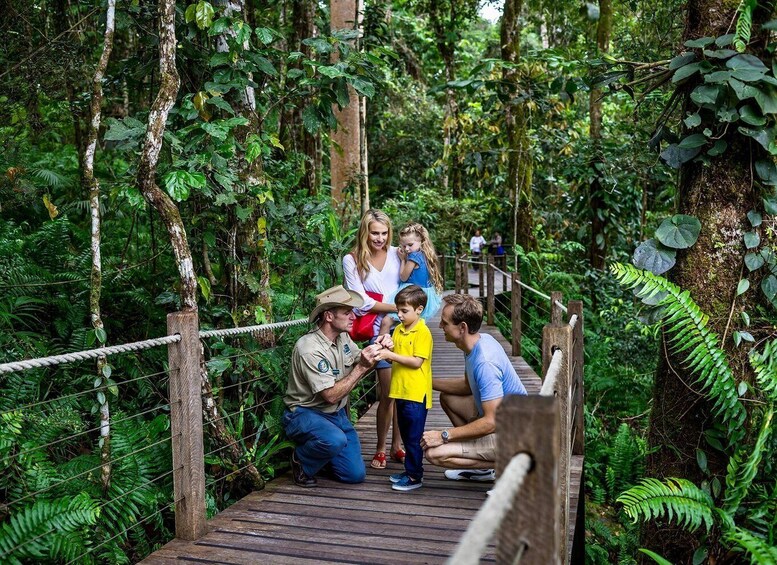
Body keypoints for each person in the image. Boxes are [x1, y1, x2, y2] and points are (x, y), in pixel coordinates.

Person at [282, 285, 391, 487]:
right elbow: (331, 396)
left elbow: (360, 356)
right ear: (329, 317)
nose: (353, 317)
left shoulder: (343, 337)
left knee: (355, 475)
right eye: (347, 312)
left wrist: (379, 346)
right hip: (304, 413)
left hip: (336, 415)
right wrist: (360, 369)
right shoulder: (309, 348)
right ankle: (301, 461)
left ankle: (323, 454)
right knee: (334, 440)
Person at [421, 293, 527, 480]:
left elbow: (491, 421)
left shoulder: (485, 362)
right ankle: (482, 466)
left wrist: (444, 435)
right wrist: (426, 382)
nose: (440, 327)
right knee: (447, 398)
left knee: (434, 453)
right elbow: (467, 385)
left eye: (445, 323)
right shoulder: (476, 342)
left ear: (462, 328)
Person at [343, 209, 404, 469]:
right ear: (364, 232)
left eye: (384, 233)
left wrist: (403, 311)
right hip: (377, 333)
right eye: (374, 233)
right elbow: (360, 302)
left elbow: (413, 283)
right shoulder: (353, 259)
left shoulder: (398, 254)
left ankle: (397, 446)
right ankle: (380, 447)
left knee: (405, 392)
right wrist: (399, 308)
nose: (380, 238)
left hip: (406, 329)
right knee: (388, 393)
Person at [374, 285, 433, 491]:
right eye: (398, 310)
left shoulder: (423, 332)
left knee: (414, 437)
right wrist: (388, 348)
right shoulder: (398, 330)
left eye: (404, 311)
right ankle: (409, 470)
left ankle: (415, 477)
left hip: (416, 393)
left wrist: (390, 355)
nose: (399, 315)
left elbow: (417, 362)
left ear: (419, 309)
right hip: (400, 390)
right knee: (407, 435)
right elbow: (396, 360)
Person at [379, 222, 443, 335]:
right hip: (424, 293)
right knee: (411, 325)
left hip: (412, 294)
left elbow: (403, 277)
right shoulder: (425, 254)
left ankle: (379, 350)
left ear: (421, 241)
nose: (407, 249)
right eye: (404, 246)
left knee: (386, 321)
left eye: (410, 245)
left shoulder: (413, 257)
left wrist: (403, 259)